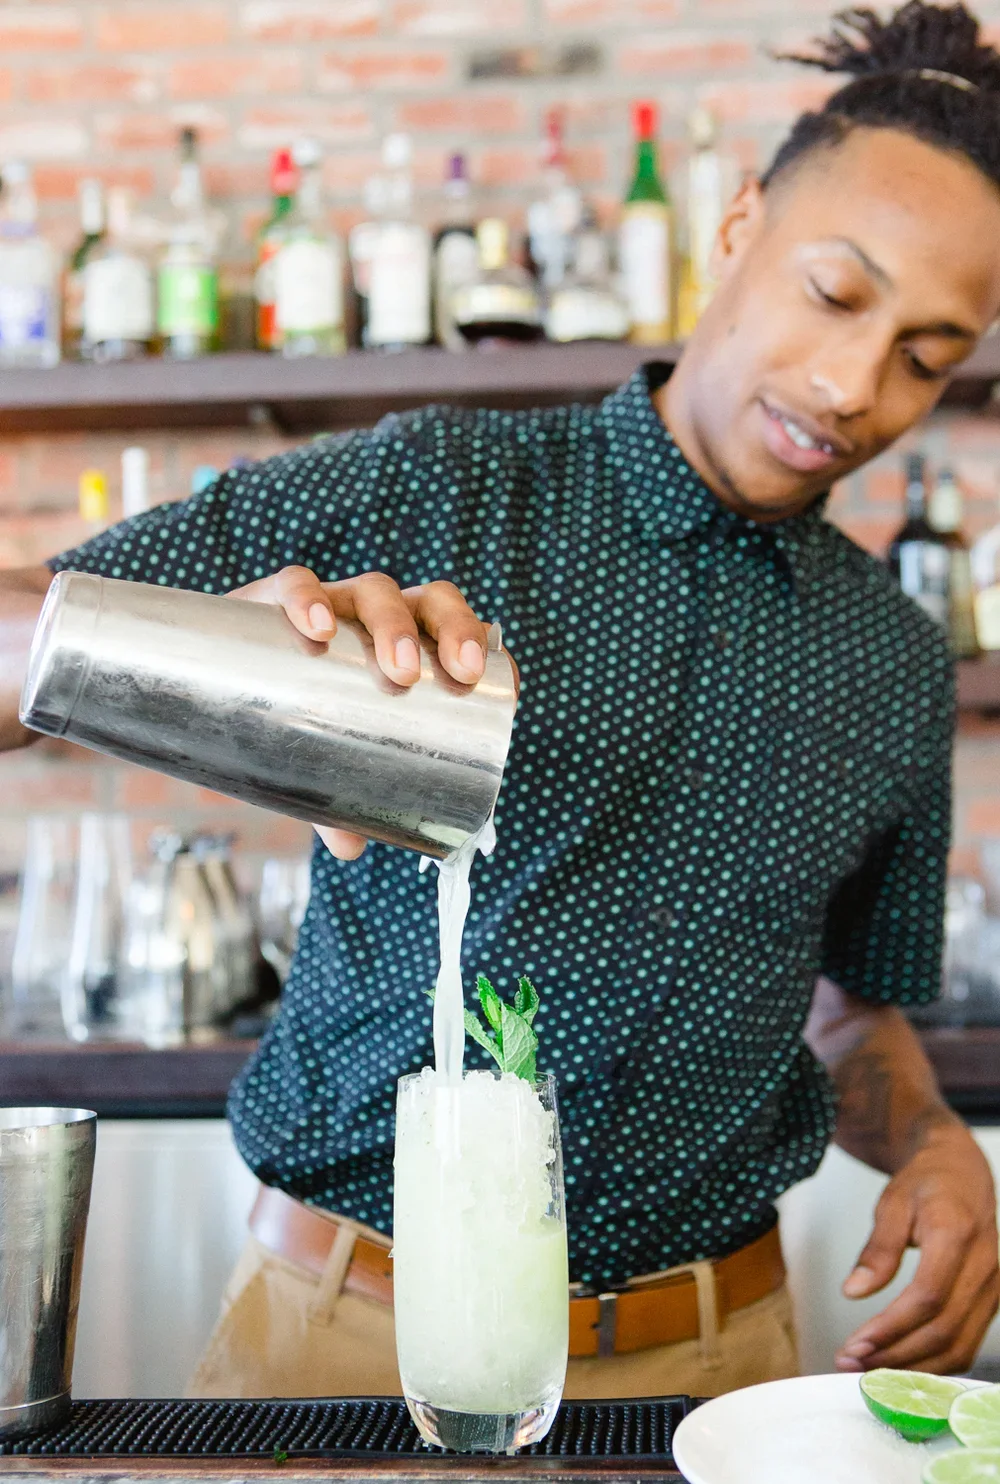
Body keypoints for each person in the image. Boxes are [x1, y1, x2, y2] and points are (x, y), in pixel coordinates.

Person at [3, 0, 1000, 1400]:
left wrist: (937, 1139)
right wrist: (213, 659)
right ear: (736, 232)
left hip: (718, 1363)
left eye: (926, 354)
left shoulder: (893, 655)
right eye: (836, 294)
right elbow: (19, 656)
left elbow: (852, 1015)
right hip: (350, 1341)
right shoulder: (425, 489)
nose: (852, 385)